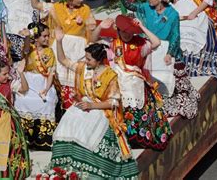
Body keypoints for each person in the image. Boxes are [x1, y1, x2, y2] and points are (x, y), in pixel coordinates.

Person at [50, 28, 139, 179]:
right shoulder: (83, 68)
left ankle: (89, 169)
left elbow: (114, 102)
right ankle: (66, 166)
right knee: (66, 125)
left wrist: (91, 106)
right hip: (83, 104)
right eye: (85, 58)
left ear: (98, 61)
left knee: (86, 131)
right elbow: (63, 60)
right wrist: (59, 41)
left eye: (89, 59)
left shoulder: (110, 75)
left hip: (101, 109)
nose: (85, 61)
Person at [117, 0, 199, 119]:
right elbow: (130, 6)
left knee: (175, 85)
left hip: (168, 52)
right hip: (152, 50)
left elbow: (175, 36)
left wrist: (169, 53)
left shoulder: (172, 14)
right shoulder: (146, 7)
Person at [31, 0, 113, 109]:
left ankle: (72, 110)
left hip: (78, 52)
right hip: (59, 47)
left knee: (74, 85)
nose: (82, 0)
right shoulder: (56, 7)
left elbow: (91, 38)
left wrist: (100, 27)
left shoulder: (85, 10)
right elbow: (35, 4)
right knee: (56, 81)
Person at [110, 15, 172, 150]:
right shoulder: (113, 44)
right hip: (118, 80)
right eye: (124, 32)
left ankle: (138, 136)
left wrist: (141, 27)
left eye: (130, 32)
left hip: (135, 81)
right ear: (118, 31)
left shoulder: (140, 44)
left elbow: (156, 42)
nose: (127, 35)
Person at [14, 22, 59, 150]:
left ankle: (42, 141)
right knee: (23, 100)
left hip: (43, 83)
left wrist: (46, 89)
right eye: (44, 36)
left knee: (47, 102)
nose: (47, 38)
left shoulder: (49, 51)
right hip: (28, 82)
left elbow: (51, 73)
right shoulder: (30, 49)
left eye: (48, 36)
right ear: (37, 37)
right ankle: (25, 138)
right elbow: (26, 49)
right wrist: (28, 37)